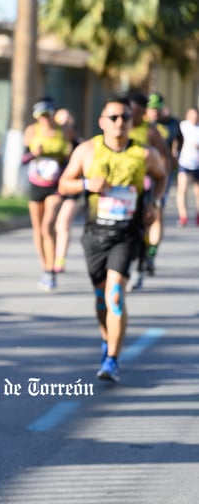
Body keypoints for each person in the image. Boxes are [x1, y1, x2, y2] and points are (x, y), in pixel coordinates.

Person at [58, 96, 166, 383]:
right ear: (102, 121)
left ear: (133, 122)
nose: (120, 123)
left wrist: (153, 203)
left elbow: (161, 177)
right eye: (114, 117)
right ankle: (108, 342)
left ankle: (112, 360)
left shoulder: (144, 154)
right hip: (95, 235)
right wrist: (85, 184)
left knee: (115, 294)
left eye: (126, 118)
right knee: (101, 298)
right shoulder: (86, 151)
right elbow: (63, 183)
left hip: (126, 234)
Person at [22, 98, 71, 291]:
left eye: (47, 114)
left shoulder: (62, 131)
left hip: (55, 184)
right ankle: (45, 266)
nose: (45, 119)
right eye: (40, 116)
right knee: (38, 228)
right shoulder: (32, 131)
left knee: (47, 225)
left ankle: (51, 270)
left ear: (52, 114)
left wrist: (64, 166)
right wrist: (34, 154)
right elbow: (23, 158)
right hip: (36, 183)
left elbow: (70, 157)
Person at [126, 92, 170, 290]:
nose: (131, 117)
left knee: (148, 223)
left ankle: (142, 264)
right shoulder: (119, 128)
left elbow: (163, 159)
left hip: (148, 186)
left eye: (135, 113)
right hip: (122, 190)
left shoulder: (150, 131)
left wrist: (160, 183)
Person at [52, 107, 82, 273]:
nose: (64, 125)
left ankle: (59, 259)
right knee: (49, 225)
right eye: (60, 121)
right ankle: (50, 255)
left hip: (72, 189)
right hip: (52, 188)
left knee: (62, 224)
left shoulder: (79, 144)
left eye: (67, 121)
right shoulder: (51, 140)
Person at [175, 107, 199, 226]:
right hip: (185, 163)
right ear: (187, 116)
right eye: (191, 115)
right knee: (182, 190)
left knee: (197, 193)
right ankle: (183, 216)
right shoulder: (182, 126)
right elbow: (176, 140)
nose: (194, 117)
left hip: (198, 165)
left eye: (196, 115)